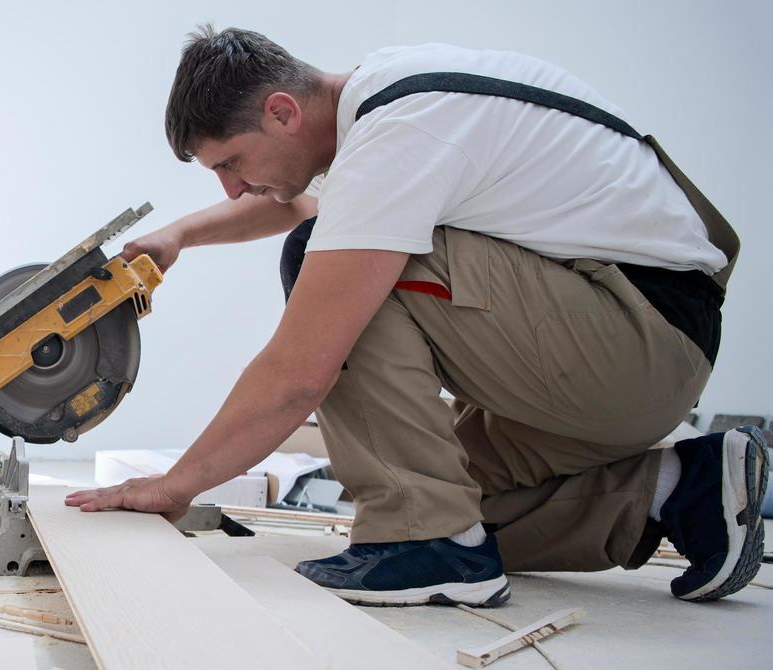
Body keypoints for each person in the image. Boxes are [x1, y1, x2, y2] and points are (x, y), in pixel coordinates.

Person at [64, 25, 766, 606]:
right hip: (625, 352)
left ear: (282, 111)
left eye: (233, 162)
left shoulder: (404, 128)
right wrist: (180, 235)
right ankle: (680, 488)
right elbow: (293, 199)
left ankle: (428, 546)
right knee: (445, 497)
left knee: (332, 269)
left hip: (637, 343)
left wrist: (175, 485)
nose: (235, 185)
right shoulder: (384, 106)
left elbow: (299, 373)